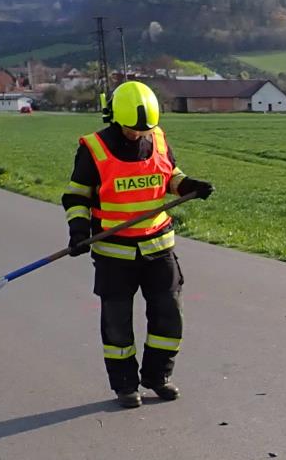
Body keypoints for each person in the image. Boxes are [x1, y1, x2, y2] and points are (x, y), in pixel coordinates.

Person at [62, 81, 214, 409]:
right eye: (132, 130)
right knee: (117, 324)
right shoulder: (94, 148)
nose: (139, 135)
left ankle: (158, 377)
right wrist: (78, 230)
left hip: (159, 247)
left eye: (144, 130)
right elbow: (76, 196)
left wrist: (189, 185)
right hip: (114, 254)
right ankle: (125, 385)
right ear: (116, 119)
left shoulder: (157, 138)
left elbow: (169, 176)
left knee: (169, 317)